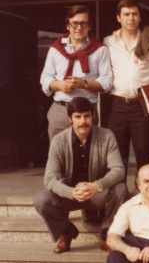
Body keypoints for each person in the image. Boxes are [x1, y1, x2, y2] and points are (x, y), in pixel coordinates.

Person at [33, 97, 127, 254]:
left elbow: (119, 169)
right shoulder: (59, 140)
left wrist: (97, 185)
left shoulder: (106, 135)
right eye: (77, 116)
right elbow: (50, 178)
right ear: (70, 119)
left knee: (121, 189)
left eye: (87, 116)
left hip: (97, 193)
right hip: (70, 195)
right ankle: (66, 231)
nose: (83, 121)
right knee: (41, 199)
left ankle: (108, 235)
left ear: (93, 116)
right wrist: (70, 192)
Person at [103, 0, 149, 179]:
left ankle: (144, 196)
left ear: (140, 16)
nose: (131, 18)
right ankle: (118, 195)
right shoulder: (109, 42)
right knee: (116, 156)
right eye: (126, 14)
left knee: (145, 154)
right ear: (118, 18)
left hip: (142, 107)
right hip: (116, 106)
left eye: (135, 14)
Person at [40, 5, 112, 141]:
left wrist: (84, 84)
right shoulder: (55, 48)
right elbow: (45, 77)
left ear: (90, 26)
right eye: (75, 23)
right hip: (60, 109)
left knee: (86, 156)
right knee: (59, 156)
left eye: (83, 23)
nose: (79, 27)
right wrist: (59, 85)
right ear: (68, 25)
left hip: (85, 110)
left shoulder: (100, 50)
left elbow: (107, 82)